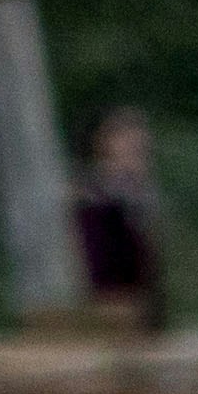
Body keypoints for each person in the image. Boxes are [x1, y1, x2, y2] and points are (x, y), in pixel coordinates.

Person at [64, 105, 167, 329]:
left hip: (140, 287)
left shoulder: (141, 186)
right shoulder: (89, 185)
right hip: (105, 285)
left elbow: (150, 233)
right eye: (124, 139)